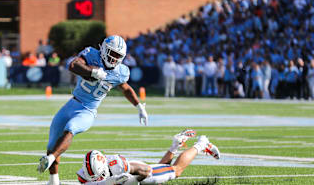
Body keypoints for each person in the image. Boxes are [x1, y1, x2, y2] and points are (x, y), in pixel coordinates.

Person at [37, 35, 149, 185]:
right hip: (72, 104)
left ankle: (50, 159)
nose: (114, 58)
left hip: (87, 110)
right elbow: (73, 65)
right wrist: (92, 72)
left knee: (71, 129)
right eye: (112, 53)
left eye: (118, 55)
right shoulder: (91, 55)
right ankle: (53, 181)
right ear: (103, 49)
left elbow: (126, 89)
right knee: (51, 145)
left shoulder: (120, 72)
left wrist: (139, 106)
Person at [76, 129, 220, 185]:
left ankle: (202, 143)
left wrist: (131, 180)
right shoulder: (85, 173)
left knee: (175, 171)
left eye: (100, 176)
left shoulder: (118, 165)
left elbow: (146, 171)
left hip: (137, 172)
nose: (97, 179)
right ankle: (176, 144)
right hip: (125, 177)